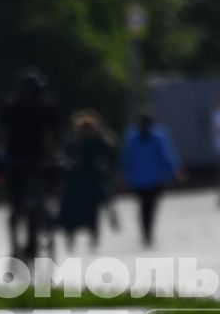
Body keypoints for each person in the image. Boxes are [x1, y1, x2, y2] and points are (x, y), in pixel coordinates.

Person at [0, 68, 59, 259]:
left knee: (42, 198)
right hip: (16, 160)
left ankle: (39, 229)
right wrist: (2, 155)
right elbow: (2, 133)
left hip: (39, 159)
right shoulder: (11, 107)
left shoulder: (47, 107)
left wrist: (57, 156)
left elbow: (55, 133)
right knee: (16, 207)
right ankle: (15, 245)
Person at [120, 108, 183, 249]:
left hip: (139, 179)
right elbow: (167, 156)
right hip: (155, 179)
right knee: (150, 207)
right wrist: (175, 172)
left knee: (143, 207)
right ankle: (148, 232)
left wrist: (124, 176)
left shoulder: (132, 137)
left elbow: (126, 159)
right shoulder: (158, 136)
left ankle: (145, 232)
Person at [56, 110, 117, 252]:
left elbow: (111, 149)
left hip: (92, 179)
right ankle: (71, 236)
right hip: (77, 179)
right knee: (72, 210)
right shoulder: (74, 141)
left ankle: (93, 236)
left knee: (94, 210)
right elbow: (66, 156)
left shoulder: (97, 140)